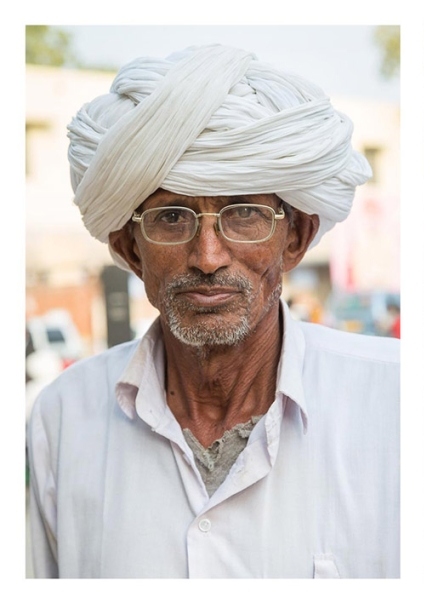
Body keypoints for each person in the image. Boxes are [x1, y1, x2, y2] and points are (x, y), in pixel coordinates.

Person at [28, 44, 400, 578]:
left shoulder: (393, 403)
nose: (207, 257)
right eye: (171, 218)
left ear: (295, 238)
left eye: (244, 214)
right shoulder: (65, 418)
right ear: (131, 249)